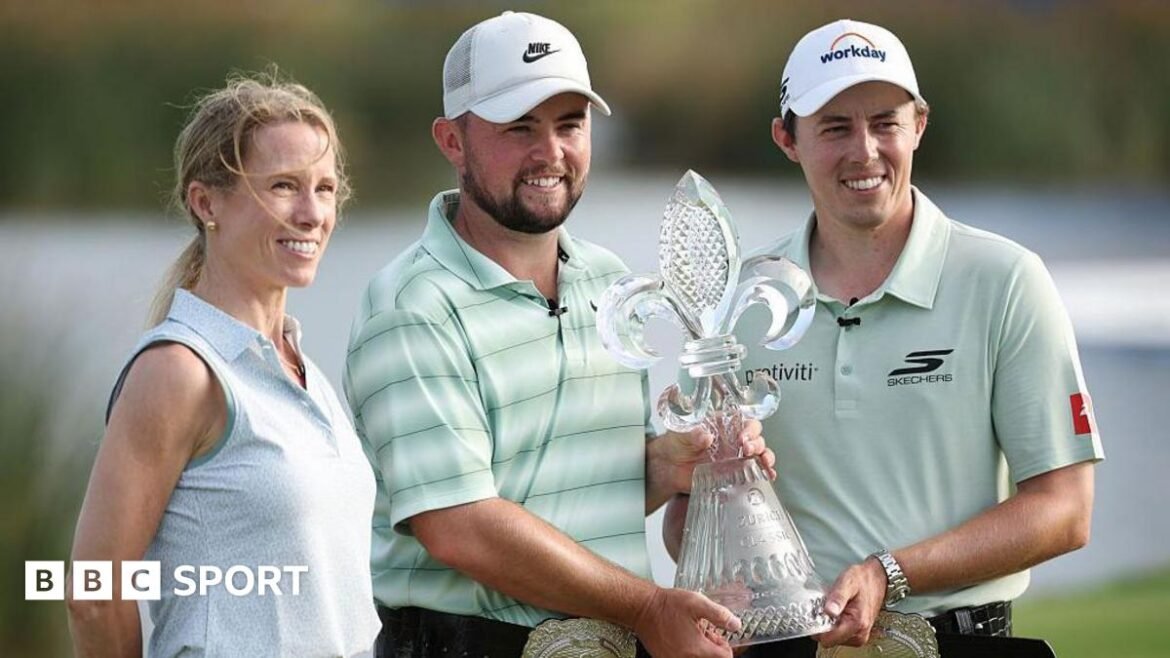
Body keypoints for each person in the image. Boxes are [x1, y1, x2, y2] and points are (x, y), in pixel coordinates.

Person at [666, 18, 1104, 656]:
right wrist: (722, 549)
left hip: (957, 641)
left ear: (919, 125)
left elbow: (1065, 510)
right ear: (786, 138)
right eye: (835, 127)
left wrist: (888, 573)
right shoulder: (731, 307)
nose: (864, 151)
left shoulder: (1005, 280)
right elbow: (686, 519)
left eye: (885, 123)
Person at [343, 11, 773, 658]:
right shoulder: (411, 307)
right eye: (519, 128)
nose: (550, 153)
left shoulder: (609, 282)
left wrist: (669, 466)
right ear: (451, 140)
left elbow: (570, 496)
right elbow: (460, 526)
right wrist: (651, 608)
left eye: (569, 124)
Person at [67, 72, 381, 657]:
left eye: (326, 188)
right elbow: (93, 591)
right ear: (206, 201)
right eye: (284, 186)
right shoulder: (178, 371)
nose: (312, 214)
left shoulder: (307, 373)